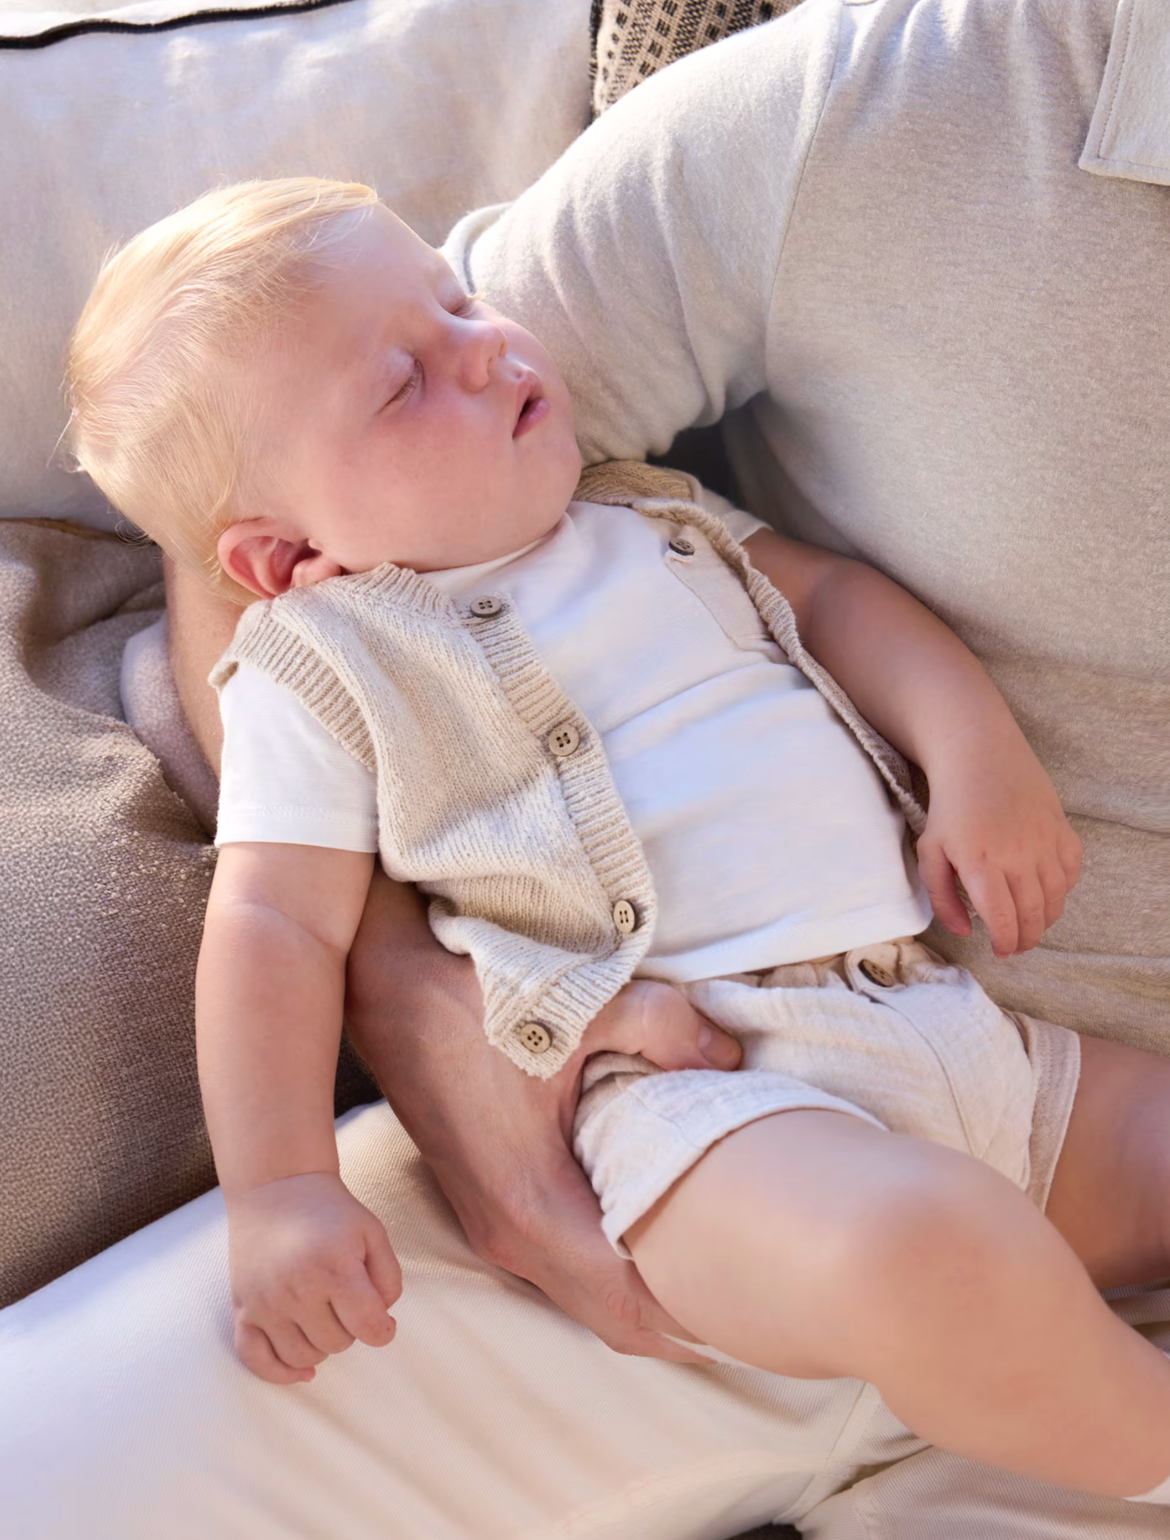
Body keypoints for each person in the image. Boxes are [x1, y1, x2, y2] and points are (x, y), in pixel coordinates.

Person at [5, 3, 1167, 1537]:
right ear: (287, 553)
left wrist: (975, 762)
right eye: (407, 378)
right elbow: (272, 928)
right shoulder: (325, 662)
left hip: (960, 1046)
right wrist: (287, 1189)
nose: (486, 342)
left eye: (452, 306)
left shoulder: (646, 519)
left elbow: (832, 603)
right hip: (692, 1110)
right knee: (921, 1253)